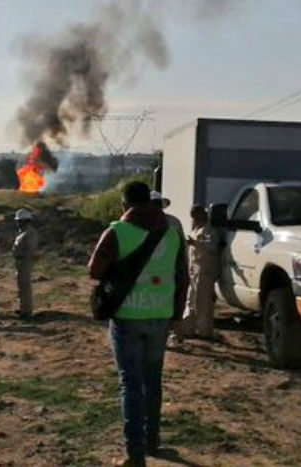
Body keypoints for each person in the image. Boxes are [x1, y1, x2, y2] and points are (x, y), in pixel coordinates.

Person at [87, 181, 189, 467]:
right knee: (152, 380)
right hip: (160, 317)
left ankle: (135, 454)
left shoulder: (118, 231)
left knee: (130, 383)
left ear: (125, 205)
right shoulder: (172, 232)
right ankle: (153, 439)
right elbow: (183, 275)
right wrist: (177, 316)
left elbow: (94, 270)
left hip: (128, 317)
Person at [180, 204, 220, 340]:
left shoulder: (208, 230)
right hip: (194, 270)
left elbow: (213, 246)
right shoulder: (195, 229)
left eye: (196, 214)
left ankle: (204, 331)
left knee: (203, 302)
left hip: (204, 270)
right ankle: (188, 328)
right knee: (191, 299)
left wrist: (195, 243)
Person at [12, 209, 38, 319]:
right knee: (21, 287)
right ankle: (23, 308)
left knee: (25, 287)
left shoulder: (30, 233)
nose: (17, 223)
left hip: (25, 262)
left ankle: (27, 311)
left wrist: (23, 257)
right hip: (21, 262)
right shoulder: (22, 233)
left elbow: (30, 249)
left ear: (24, 221)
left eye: (19, 221)